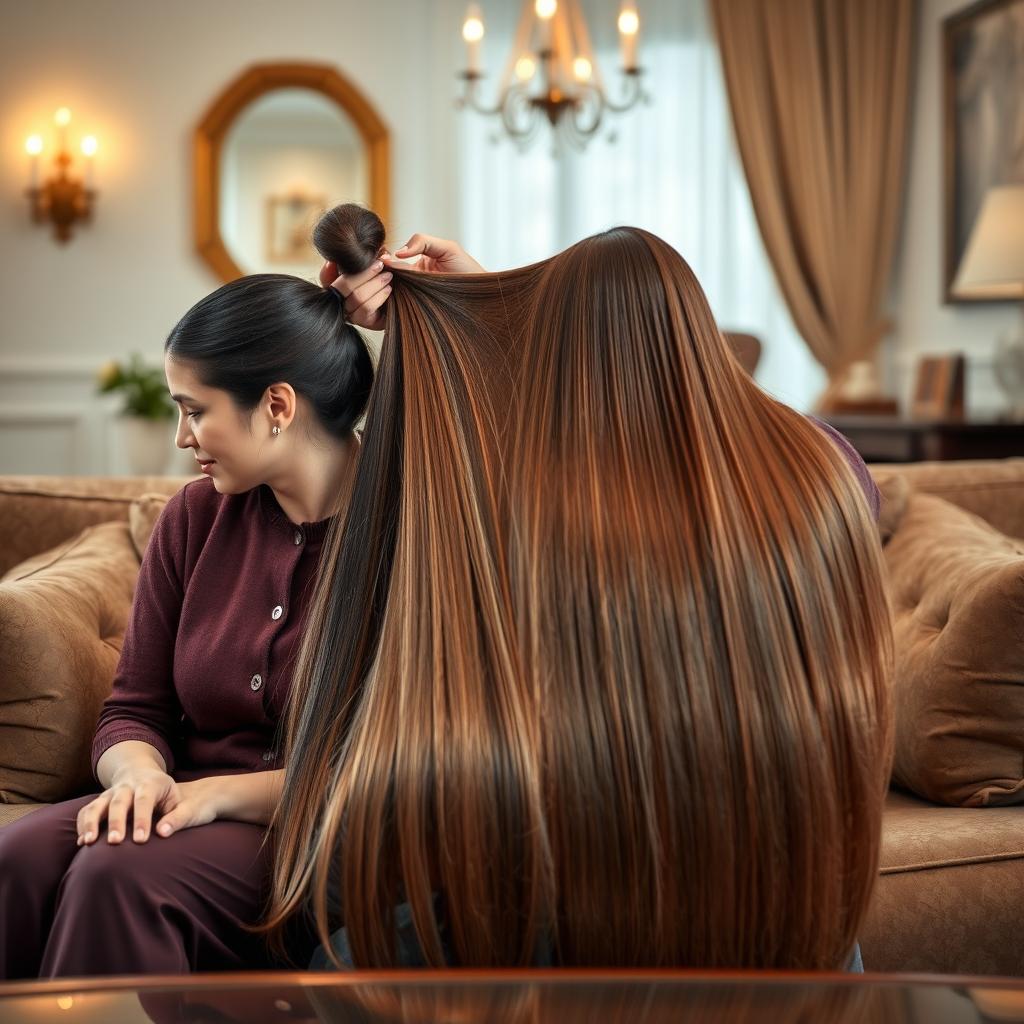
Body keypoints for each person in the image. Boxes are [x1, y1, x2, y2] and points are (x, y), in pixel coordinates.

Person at [267, 211, 892, 971]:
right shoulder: (825, 472)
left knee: (339, 954)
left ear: (558, 357)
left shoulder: (539, 496)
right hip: (795, 911)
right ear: (698, 338)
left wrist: (478, 319)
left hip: (582, 907)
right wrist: (483, 304)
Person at [0, 206, 385, 979]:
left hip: (328, 829)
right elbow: (133, 707)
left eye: (194, 410)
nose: (181, 438)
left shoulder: (414, 530)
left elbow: (397, 759)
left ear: (276, 406)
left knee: (117, 879)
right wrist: (139, 774)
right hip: (185, 803)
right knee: (15, 856)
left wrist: (212, 798)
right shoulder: (194, 519)